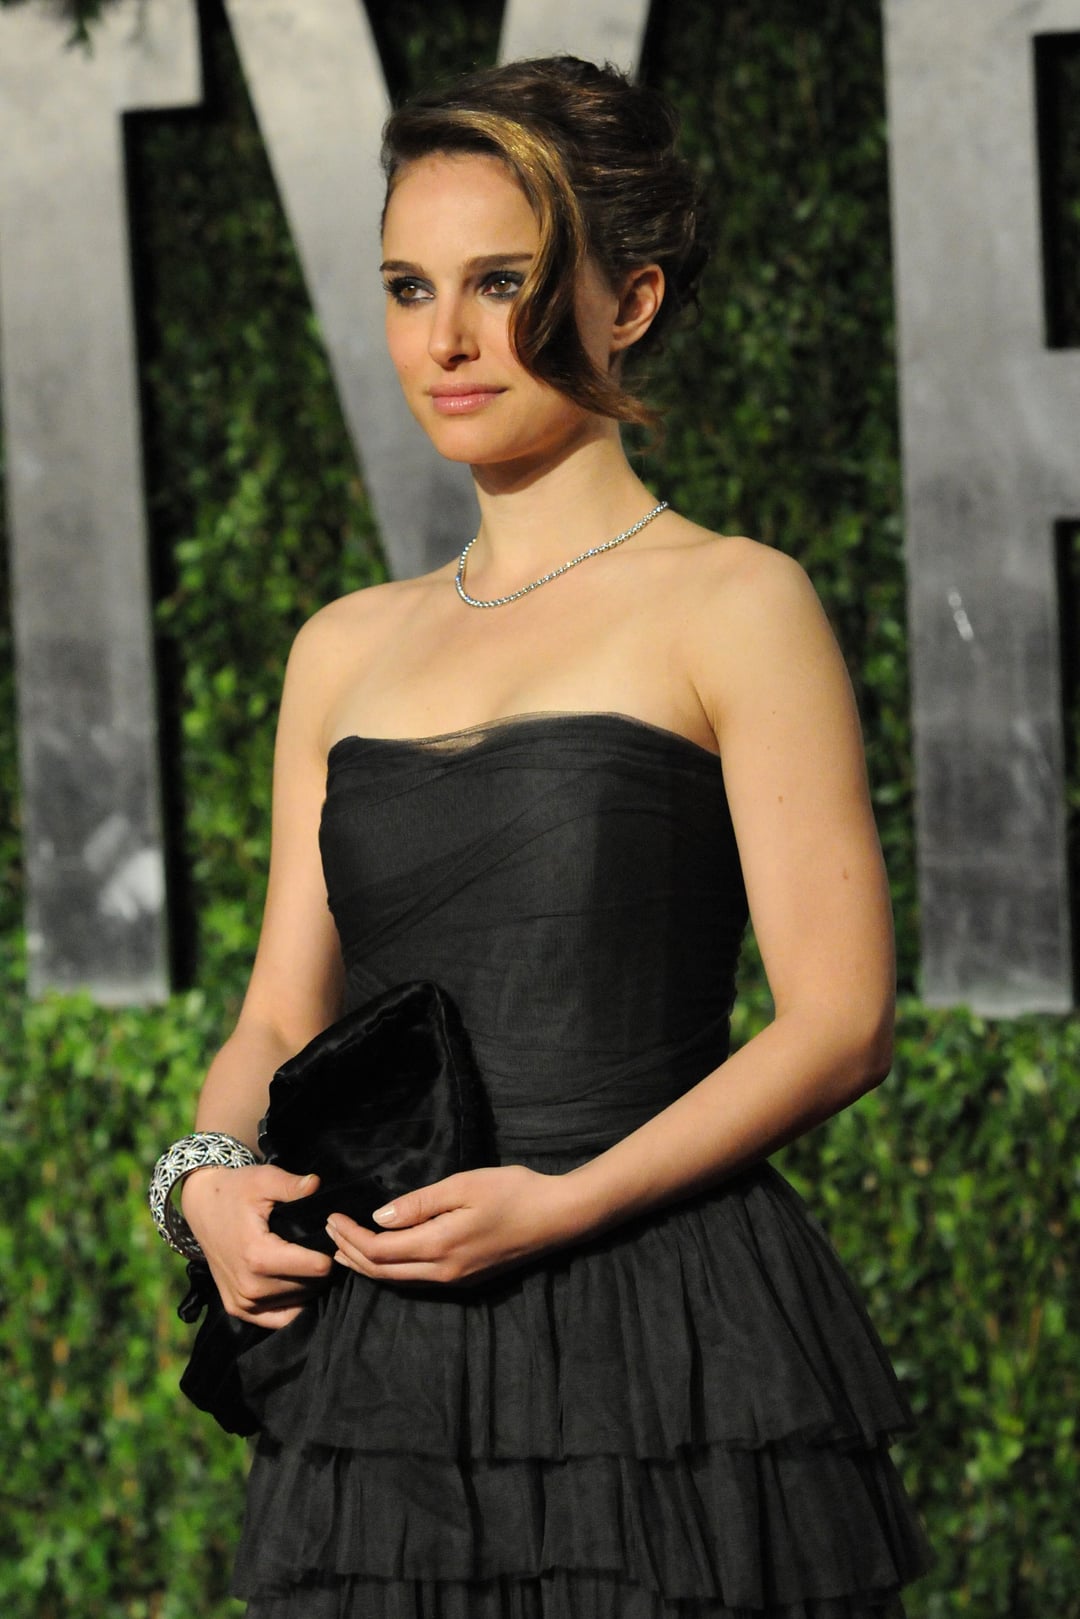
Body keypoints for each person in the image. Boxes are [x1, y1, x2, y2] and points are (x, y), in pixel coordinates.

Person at [166, 54, 932, 1618]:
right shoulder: (342, 647)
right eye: (409, 286)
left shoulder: (737, 602)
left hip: (664, 1330)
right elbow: (277, 1017)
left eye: (501, 282)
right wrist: (206, 1180)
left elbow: (843, 1021)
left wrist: (568, 1204)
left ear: (627, 300)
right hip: (385, 1354)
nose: (443, 340)